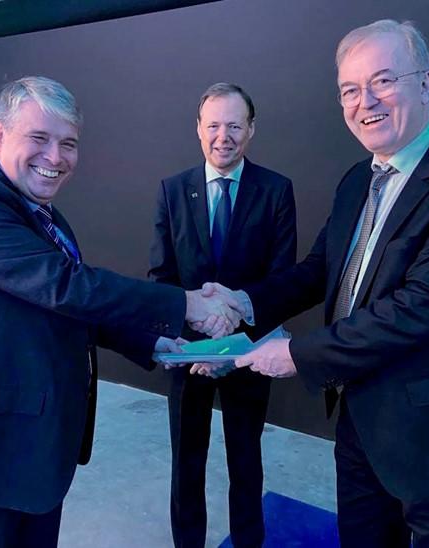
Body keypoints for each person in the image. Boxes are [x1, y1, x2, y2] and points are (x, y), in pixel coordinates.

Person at [206, 20, 429, 547]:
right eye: (350, 90)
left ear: (425, 83)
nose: (365, 101)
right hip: (361, 423)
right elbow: (318, 270)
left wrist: (295, 353)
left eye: (383, 81)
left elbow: (421, 306)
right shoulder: (358, 179)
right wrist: (242, 302)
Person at [0, 75, 241, 548]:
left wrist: (155, 343)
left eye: (68, 143)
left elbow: (58, 305)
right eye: (39, 138)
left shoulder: (42, 215)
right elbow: (64, 286)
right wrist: (188, 302)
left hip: (31, 456)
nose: (55, 158)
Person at [149, 82, 297, 548]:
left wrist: (231, 338)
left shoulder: (276, 191)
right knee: (186, 465)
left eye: (234, 125)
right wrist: (199, 339)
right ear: (198, 129)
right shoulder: (172, 191)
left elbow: (281, 280)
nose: (223, 136)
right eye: (213, 125)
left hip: (249, 353)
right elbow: (161, 277)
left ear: (251, 130)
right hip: (187, 354)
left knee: (245, 463)